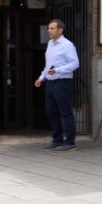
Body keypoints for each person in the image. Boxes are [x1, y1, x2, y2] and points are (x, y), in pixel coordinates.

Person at [35, 19, 80, 152]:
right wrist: (41, 78)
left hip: (62, 82)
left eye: (52, 28)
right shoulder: (50, 44)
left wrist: (58, 70)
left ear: (60, 30)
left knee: (65, 112)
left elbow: (75, 63)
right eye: (48, 28)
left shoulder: (67, 45)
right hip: (50, 82)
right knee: (51, 112)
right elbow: (48, 65)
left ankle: (70, 142)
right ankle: (57, 140)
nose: (49, 31)